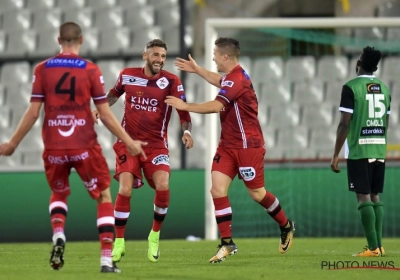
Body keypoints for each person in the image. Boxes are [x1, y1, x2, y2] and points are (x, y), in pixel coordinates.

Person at [0, 22, 147, 273]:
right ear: (81, 39)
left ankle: (59, 233)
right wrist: (130, 141)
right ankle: (105, 260)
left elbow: (34, 112)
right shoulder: (90, 70)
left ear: (59, 40)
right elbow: (106, 114)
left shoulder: (42, 69)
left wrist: (13, 143)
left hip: (54, 146)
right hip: (84, 146)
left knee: (59, 193)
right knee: (102, 196)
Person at [166, 37, 295, 263]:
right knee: (217, 190)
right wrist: (197, 70)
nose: (213, 57)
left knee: (257, 194)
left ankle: (285, 224)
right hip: (227, 145)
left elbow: (217, 105)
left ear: (226, 56)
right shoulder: (232, 77)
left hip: (248, 146)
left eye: (215, 54)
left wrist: (185, 106)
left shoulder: (237, 80)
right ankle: (227, 243)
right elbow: (220, 80)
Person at [93, 39, 193, 263]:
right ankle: (119, 242)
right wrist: (99, 109)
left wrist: (187, 132)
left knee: (163, 184)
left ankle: (155, 235)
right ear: (145, 55)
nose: (160, 60)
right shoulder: (127, 75)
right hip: (128, 143)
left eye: (163, 56)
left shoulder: (171, 81)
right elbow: (113, 94)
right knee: (125, 188)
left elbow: (183, 112)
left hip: (156, 145)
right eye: (156, 55)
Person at [330, 46, 389, 257]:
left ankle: (373, 248)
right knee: (375, 195)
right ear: (375, 67)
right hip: (379, 148)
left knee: (363, 197)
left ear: (358, 64)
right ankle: (379, 246)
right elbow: (386, 121)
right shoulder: (384, 88)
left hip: (359, 149)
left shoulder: (351, 87)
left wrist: (336, 154)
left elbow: (344, 124)